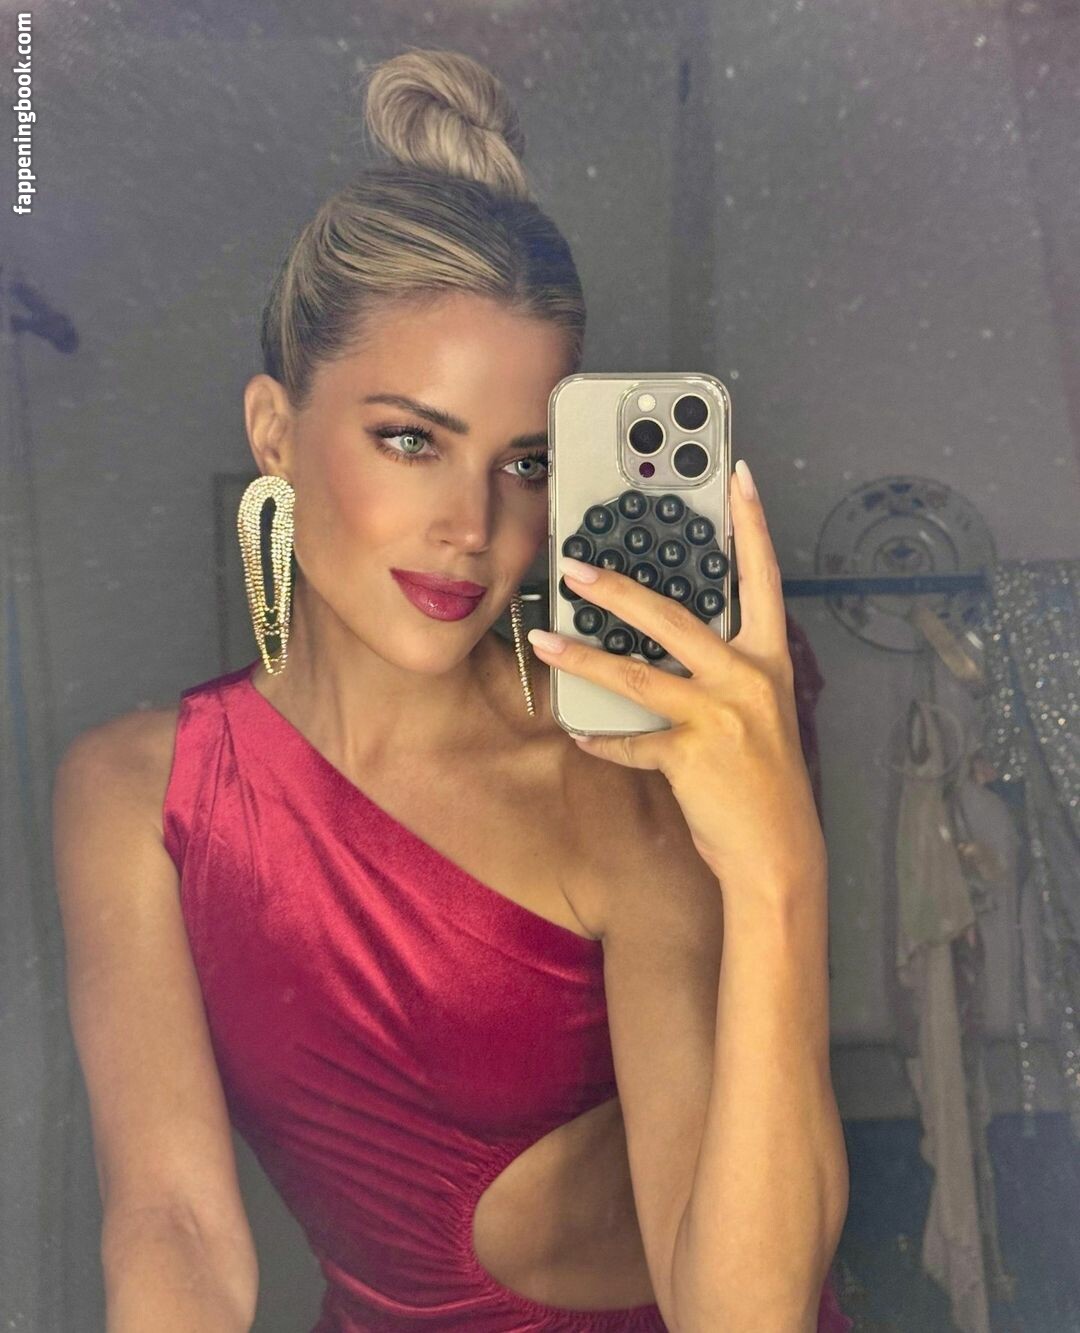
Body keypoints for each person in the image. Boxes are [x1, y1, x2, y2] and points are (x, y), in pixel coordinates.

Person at [52, 47, 850, 1332]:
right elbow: (175, 1223)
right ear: (274, 431)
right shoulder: (133, 794)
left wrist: (778, 868)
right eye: (411, 439)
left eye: (525, 462)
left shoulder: (618, 780)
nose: (473, 525)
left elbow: (744, 1315)